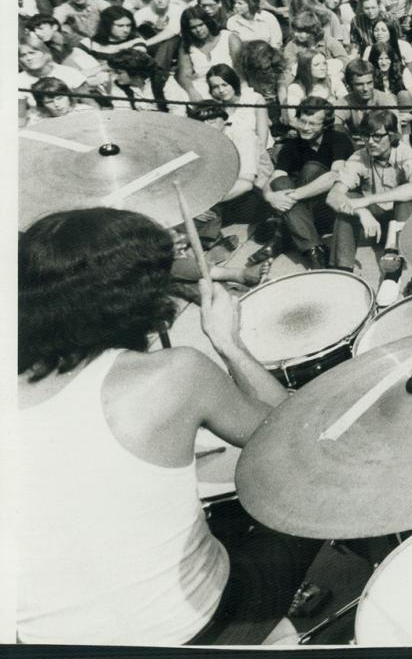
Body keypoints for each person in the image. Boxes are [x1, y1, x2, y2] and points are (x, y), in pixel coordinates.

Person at [17, 208, 318, 645]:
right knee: (312, 489)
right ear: (140, 298)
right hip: (202, 628)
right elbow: (288, 438)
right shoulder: (174, 374)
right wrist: (228, 343)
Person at [249, 96, 354, 269]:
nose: (305, 128)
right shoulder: (292, 145)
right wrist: (270, 196)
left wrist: (294, 196)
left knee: (311, 169)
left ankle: (282, 236)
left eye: (313, 124)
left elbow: (335, 175)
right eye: (302, 121)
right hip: (302, 211)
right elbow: (275, 177)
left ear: (325, 125)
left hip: (331, 208)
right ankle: (315, 250)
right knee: (281, 182)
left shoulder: (337, 139)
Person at [325, 108, 412, 273]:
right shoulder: (360, 156)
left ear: (393, 136)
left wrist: (367, 201)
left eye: (377, 136)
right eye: (366, 136)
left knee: (406, 198)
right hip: (376, 223)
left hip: (406, 222)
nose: (370, 142)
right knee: (348, 199)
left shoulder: (407, 153)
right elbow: (333, 196)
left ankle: (402, 259)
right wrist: (361, 211)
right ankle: (342, 269)